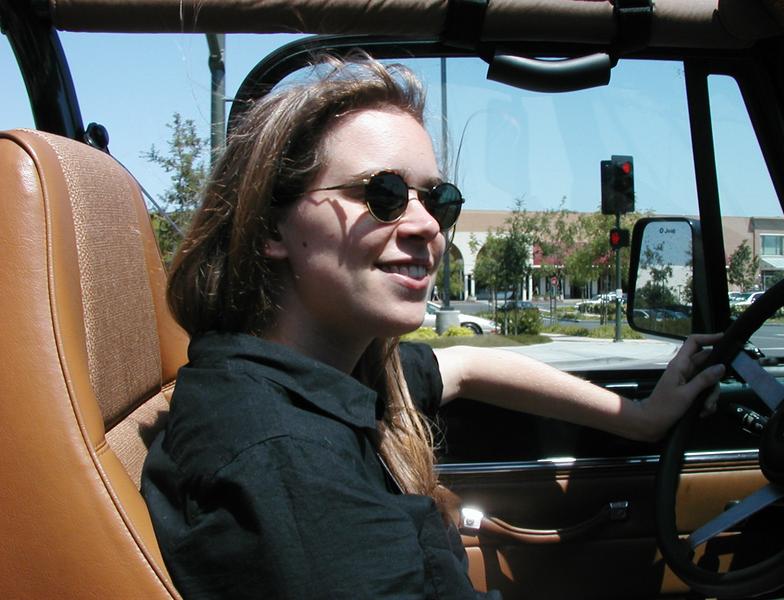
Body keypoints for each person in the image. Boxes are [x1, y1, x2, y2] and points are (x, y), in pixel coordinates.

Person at [141, 55, 724, 599]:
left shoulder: (331, 374)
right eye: (383, 194)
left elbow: (467, 366)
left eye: (438, 199)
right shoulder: (292, 466)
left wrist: (643, 419)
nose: (427, 227)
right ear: (270, 229)